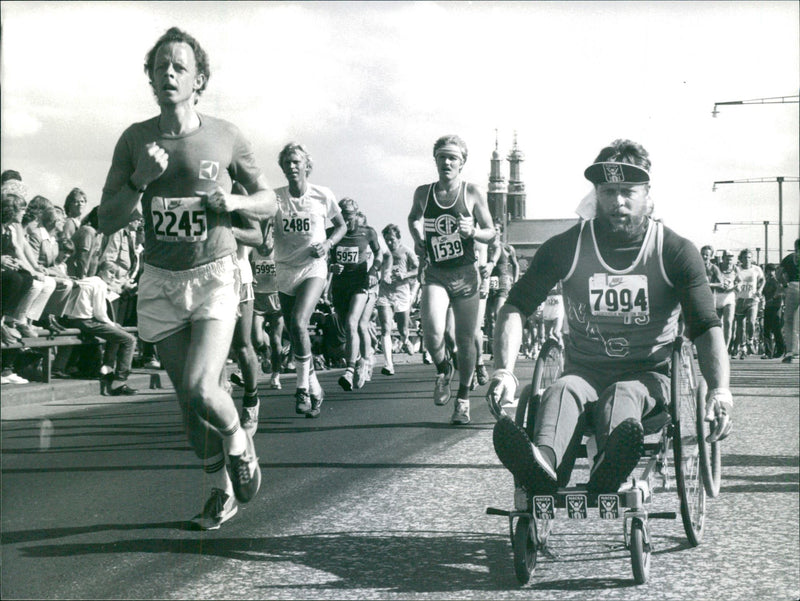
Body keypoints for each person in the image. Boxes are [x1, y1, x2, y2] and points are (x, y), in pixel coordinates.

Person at [97, 26, 276, 530]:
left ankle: (241, 447)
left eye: (179, 67)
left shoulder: (226, 135)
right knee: (189, 410)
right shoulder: (135, 139)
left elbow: (268, 200)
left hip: (215, 272)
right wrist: (140, 182)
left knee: (203, 386)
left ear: (199, 79)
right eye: (160, 67)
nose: (169, 74)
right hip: (161, 279)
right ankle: (221, 492)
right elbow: (107, 219)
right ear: (150, 79)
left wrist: (236, 200)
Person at [487, 139, 732, 497]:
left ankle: (608, 464)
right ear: (596, 195)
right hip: (584, 372)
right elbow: (515, 307)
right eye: (607, 191)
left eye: (627, 191)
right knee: (561, 389)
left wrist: (720, 391)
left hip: (648, 376)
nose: (617, 202)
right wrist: (504, 371)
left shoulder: (675, 251)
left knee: (623, 391)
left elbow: (707, 326)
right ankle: (543, 466)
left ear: (647, 194)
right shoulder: (567, 246)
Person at [407, 134, 495, 425]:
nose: (446, 162)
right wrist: (418, 239)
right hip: (437, 273)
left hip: (466, 275)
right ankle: (444, 369)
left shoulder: (472, 192)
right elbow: (413, 218)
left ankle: (463, 399)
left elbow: (491, 231)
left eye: (452, 157)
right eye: (442, 156)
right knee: (432, 333)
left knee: (466, 340)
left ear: (462, 162)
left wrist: (473, 233)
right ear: (435, 160)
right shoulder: (423, 193)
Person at [272, 142, 346, 417]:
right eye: (287, 162)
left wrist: (327, 245)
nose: (292, 166)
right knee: (295, 333)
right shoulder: (275, 198)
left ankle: (301, 387)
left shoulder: (322, 195)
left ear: (307, 166)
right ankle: (316, 387)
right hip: (285, 269)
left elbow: (341, 226)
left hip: (313, 268)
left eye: (296, 162)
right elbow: (262, 228)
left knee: (298, 322)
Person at [60, 261, 138, 395]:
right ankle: (120, 381)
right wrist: (113, 324)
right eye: (111, 272)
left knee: (117, 334)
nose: (113, 276)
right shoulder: (100, 284)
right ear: (101, 271)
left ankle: (107, 369)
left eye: (115, 274)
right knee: (129, 340)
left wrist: (113, 326)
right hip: (86, 321)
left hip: (74, 320)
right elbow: (100, 313)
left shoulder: (88, 280)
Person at [330, 198, 382, 390]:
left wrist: (373, 271)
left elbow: (380, 254)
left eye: (350, 217)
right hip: (339, 286)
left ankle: (350, 370)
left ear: (356, 215)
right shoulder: (332, 233)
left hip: (359, 284)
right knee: (346, 325)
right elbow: (323, 256)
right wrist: (331, 266)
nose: (347, 221)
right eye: (343, 217)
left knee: (353, 322)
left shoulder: (367, 232)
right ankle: (359, 358)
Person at [376, 223, 418, 376]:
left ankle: (405, 340)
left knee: (403, 329)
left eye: (392, 239)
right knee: (386, 327)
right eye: (386, 240)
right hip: (385, 293)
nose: (389, 243)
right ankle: (389, 364)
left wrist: (405, 275)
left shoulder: (407, 251)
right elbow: (375, 265)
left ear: (398, 238)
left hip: (402, 293)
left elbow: (418, 269)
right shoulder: (382, 252)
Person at [250, 218, 284, 390]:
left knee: (277, 340)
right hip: (258, 298)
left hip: (277, 298)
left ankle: (276, 376)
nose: (265, 239)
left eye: (269, 234)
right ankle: (265, 354)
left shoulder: (279, 248)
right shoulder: (252, 249)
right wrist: (250, 277)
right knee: (256, 338)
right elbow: (247, 267)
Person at [732, 248, 764, 358]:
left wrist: (759, 290)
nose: (747, 259)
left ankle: (750, 340)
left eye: (749, 257)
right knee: (740, 326)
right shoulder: (737, 269)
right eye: (745, 257)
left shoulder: (756, 269)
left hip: (752, 300)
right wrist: (735, 286)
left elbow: (762, 280)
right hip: (740, 300)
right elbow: (733, 280)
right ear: (741, 258)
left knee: (751, 321)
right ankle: (743, 347)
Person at [778, 238, 799, 363]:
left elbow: (778, 274)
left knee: (789, 320)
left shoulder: (789, 258)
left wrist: (785, 285)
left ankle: (791, 351)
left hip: (793, 286)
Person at [715, 250, 739, 352]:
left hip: (729, 298)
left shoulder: (735, 268)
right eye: (727, 259)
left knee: (728, 322)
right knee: (716, 324)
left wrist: (733, 287)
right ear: (723, 258)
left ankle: (725, 348)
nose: (729, 261)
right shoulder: (716, 267)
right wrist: (718, 286)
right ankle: (716, 346)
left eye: (731, 259)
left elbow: (739, 281)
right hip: (717, 298)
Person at [761, 264, 785, 359]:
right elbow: (762, 292)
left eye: (773, 270)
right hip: (767, 306)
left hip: (776, 307)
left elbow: (780, 292)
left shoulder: (777, 281)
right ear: (766, 271)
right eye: (769, 270)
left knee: (776, 329)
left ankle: (780, 350)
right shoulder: (765, 282)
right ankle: (768, 352)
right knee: (766, 329)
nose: (771, 272)